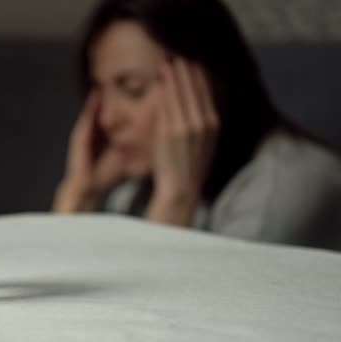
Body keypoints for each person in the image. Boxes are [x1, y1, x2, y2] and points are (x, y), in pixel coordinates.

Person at [53, 0, 341, 250]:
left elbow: (143, 311)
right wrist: (79, 194)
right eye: (100, 91)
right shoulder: (136, 189)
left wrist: (175, 200)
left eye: (133, 88)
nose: (107, 119)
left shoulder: (285, 192)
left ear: (204, 84)